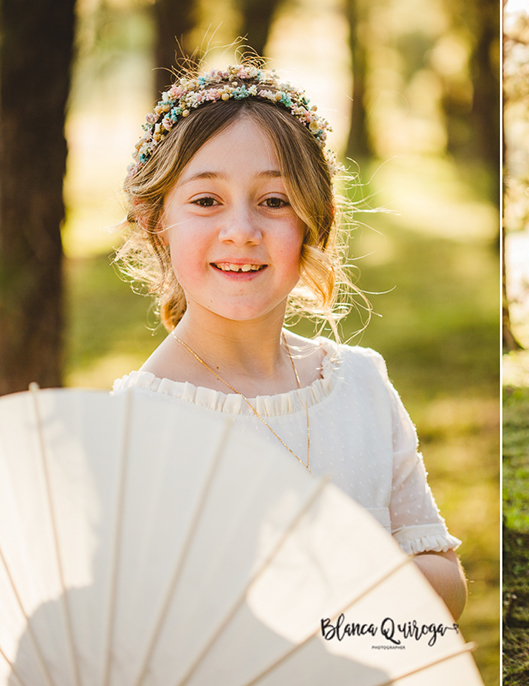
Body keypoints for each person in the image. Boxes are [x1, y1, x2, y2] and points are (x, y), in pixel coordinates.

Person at [111, 64, 467, 619]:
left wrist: (354, 570)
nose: (242, 230)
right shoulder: (138, 429)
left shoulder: (361, 383)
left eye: (274, 201)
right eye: (206, 201)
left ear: (315, 220)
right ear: (155, 221)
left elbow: (447, 582)